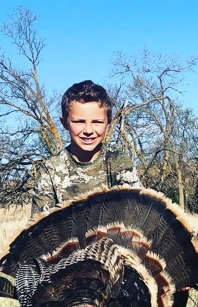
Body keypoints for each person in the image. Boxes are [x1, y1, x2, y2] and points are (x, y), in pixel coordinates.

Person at [31, 80, 141, 217]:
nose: (88, 130)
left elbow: (135, 217)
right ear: (64, 122)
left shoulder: (119, 162)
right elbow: (40, 231)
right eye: (79, 122)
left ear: (108, 124)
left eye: (97, 122)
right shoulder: (51, 170)